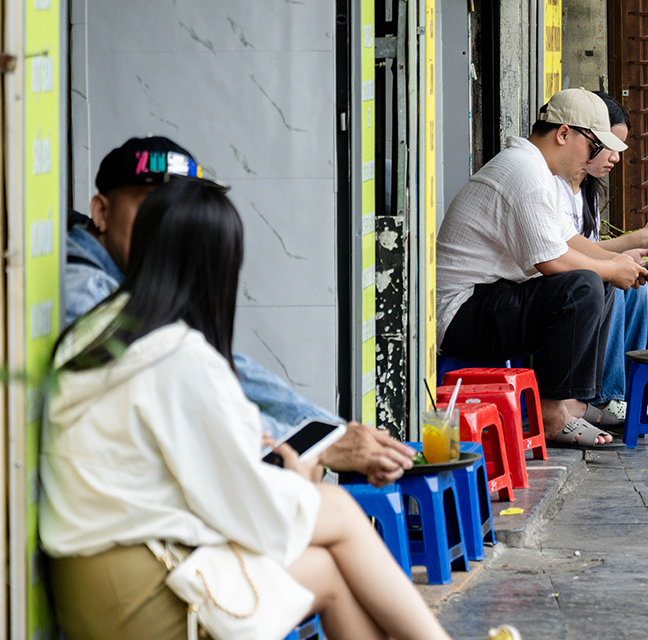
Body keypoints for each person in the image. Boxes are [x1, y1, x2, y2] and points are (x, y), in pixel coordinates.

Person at [43, 180, 536, 640]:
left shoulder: (99, 333)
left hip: (88, 596)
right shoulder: (178, 356)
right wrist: (299, 472)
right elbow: (257, 519)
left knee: (330, 562)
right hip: (147, 608)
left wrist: (279, 470)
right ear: (221, 266)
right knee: (329, 510)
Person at [65, 136, 413, 487]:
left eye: (178, 214)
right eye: (152, 210)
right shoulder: (85, 293)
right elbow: (182, 396)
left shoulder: (131, 284)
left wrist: (329, 434)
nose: (167, 230)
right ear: (101, 212)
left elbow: (220, 367)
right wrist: (314, 446)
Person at [437, 89, 648, 449]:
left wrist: (615, 262)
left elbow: (567, 241)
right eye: (594, 147)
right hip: (460, 313)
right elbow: (552, 262)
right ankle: (554, 415)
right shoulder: (524, 171)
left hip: (489, 299)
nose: (595, 158)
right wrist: (608, 268)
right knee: (581, 286)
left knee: (594, 280)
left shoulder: (535, 168)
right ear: (564, 133)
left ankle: (571, 403)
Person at [549, 94, 648, 427]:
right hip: (551, 285)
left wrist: (631, 254)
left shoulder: (588, 190)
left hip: (567, 273)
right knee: (610, 281)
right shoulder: (549, 184)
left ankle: (621, 394)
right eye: (606, 145)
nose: (614, 157)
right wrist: (641, 239)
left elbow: (587, 247)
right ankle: (600, 395)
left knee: (633, 285)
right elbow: (568, 251)